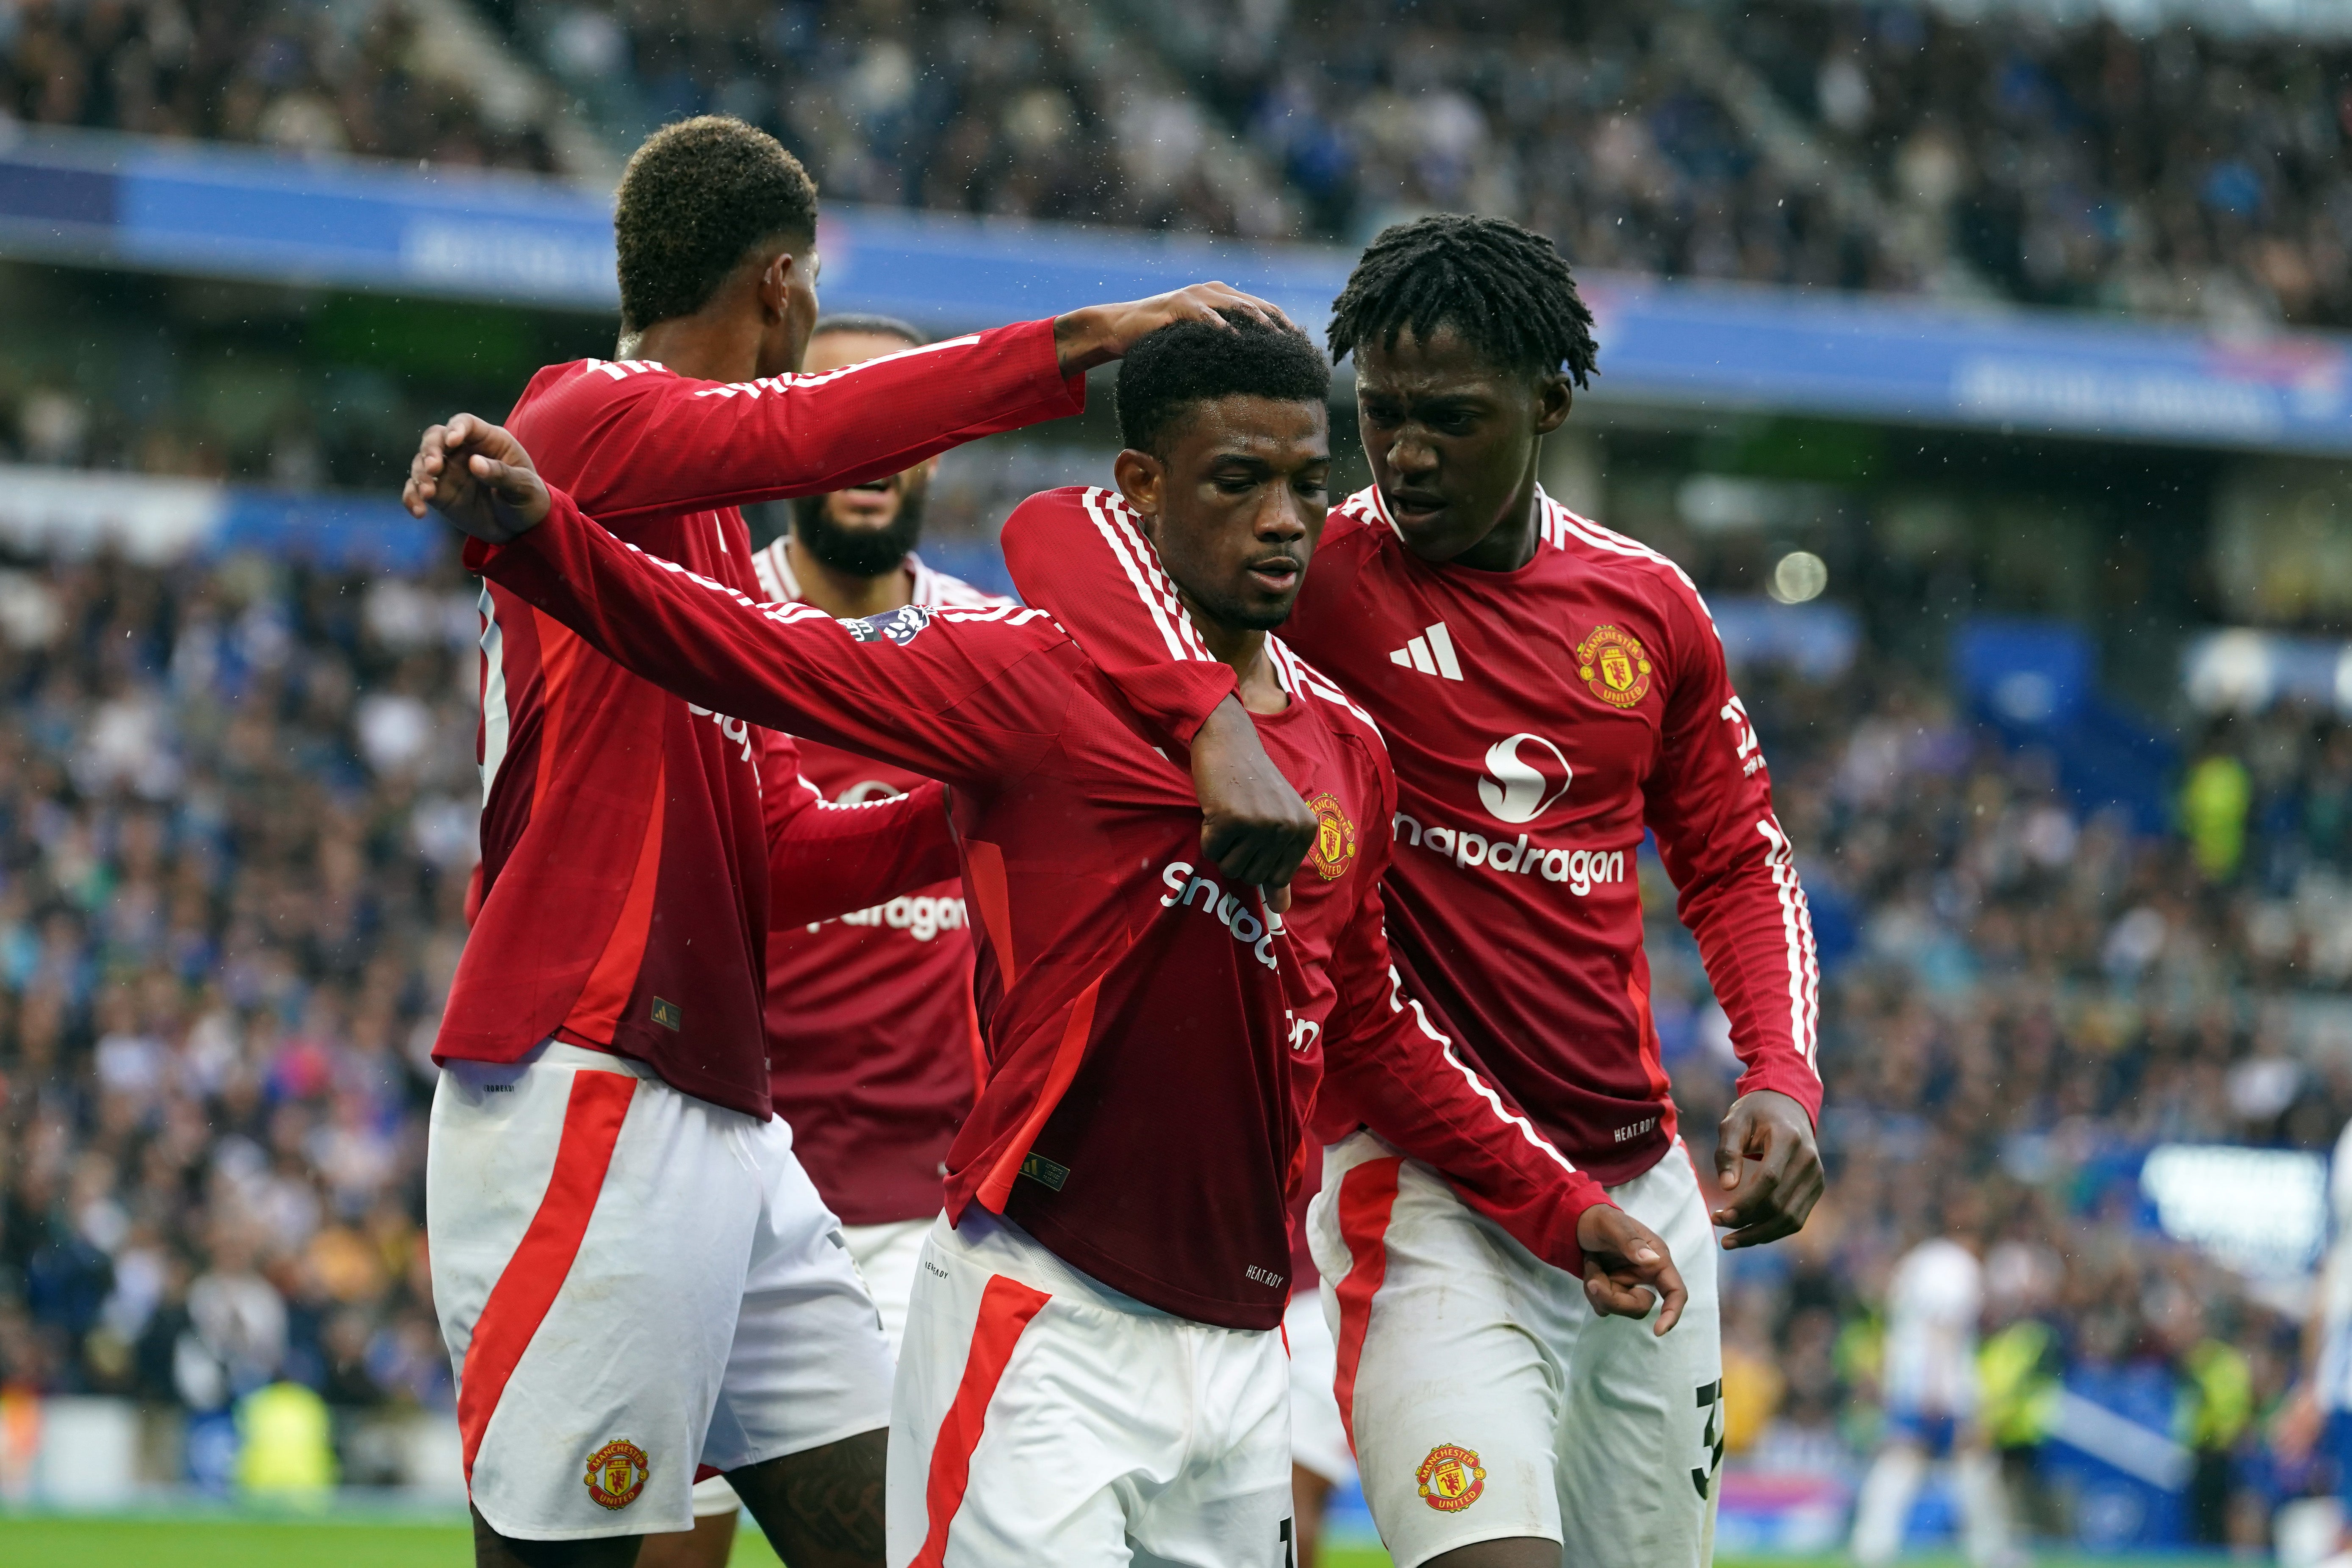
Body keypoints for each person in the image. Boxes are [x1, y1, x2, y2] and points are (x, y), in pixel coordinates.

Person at [402, 309, 1692, 1568]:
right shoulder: (1028, 676)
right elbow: (731, 642)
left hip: (1243, 1352)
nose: (1286, 518)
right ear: (1141, 491)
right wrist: (541, 536)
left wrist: (1559, 1207)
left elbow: (1368, 1029)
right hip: (1043, 1315)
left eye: (1308, 482)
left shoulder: (1344, 751)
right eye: (1238, 482)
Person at [420, 110, 1317, 1568]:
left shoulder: (693, 525)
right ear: (783, 283)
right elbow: (814, 427)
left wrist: (1013, 792)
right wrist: (1096, 334)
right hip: (590, 1074)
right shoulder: (583, 415)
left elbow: (782, 855)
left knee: (906, 1533)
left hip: (723, 1115)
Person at [1001, 213, 1828, 1568]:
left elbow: (1736, 853)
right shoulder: (1311, 572)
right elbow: (1060, 527)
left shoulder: (1649, 608)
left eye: (1448, 417)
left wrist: (1779, 1074)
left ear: (1547, 401)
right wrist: (1208, 721)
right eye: (1379, 416)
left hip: (1638, 1187)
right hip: (1422, 1190)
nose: (1403, 454)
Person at [646, 312, 1010, 1568]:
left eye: (895, 420)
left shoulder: (989, 652)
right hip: (707, 1190)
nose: (866, 451)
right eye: (834, 415)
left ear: (931, 451)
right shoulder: (700, 619)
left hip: (928, 1222)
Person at [1848, 1223, 2012, 1567]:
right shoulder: (1956, 1265)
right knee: (1970, 1462)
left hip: (1909, 1381)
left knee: (1903, 1463)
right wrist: (1938, 1390)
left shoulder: (1916, 1262)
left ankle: (1871, 1546)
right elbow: (1942, 1326)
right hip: (1942, 1387)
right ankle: (1991, 1550)